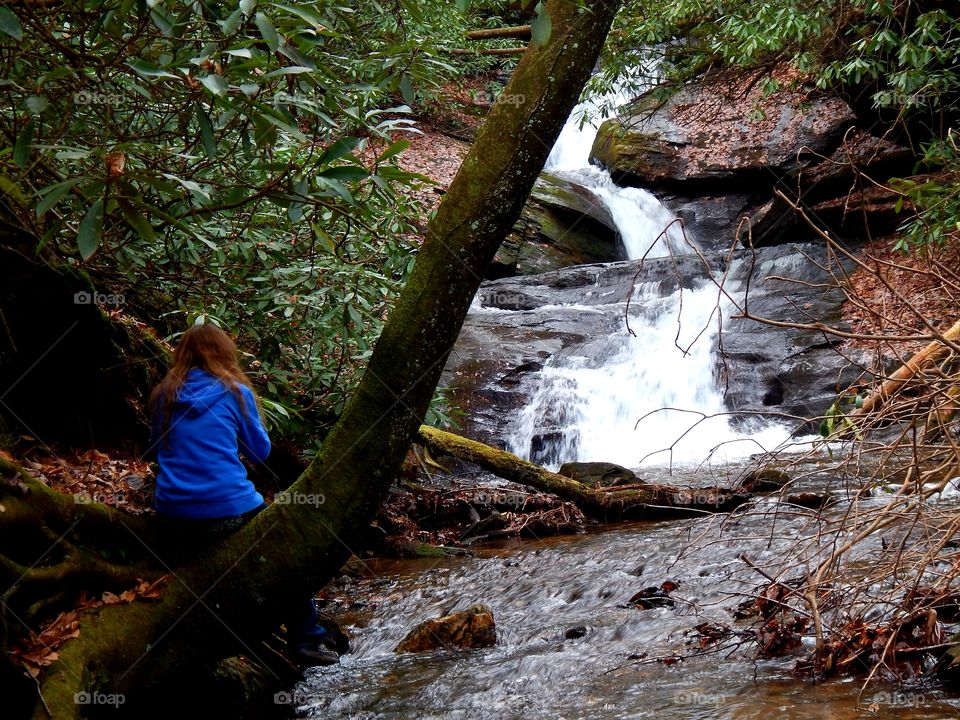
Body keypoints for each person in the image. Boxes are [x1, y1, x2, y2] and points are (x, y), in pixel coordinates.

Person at [148, 322, 338, 665]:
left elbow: (155, 449)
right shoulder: (234, 392)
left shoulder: (163, 394)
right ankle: (306, 641)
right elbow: (260, 452)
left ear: (183, 354)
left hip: (172, 513)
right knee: (290, 555)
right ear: (224, 352)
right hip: (228, 508)